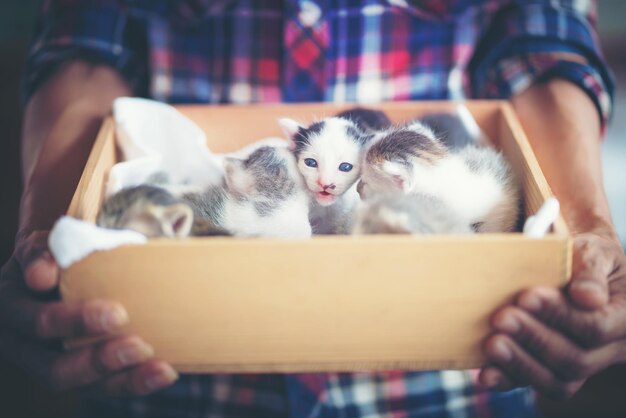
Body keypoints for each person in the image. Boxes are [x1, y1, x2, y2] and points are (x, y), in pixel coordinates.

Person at [1, 0, 624, 416]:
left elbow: (547, 43)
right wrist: (50, 230)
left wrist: (586, 231)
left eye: (345, 175)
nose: (327, 189)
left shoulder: (405, 181)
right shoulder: (263, 180)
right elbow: (82, 44)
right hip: (173, 354)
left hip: (456, 359)